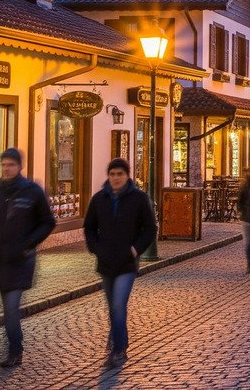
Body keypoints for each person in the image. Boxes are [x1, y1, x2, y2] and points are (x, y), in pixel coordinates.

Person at [0, 148, 55, 368]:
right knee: (7, 307)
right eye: (3, 164)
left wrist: (29, 244)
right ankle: (15, 347)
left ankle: (15, 350)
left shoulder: (32, 191)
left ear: (19, 166)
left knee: (11, 307)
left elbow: (48, 222)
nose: (6, 168)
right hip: (2, 259)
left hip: (23, 259)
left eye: (10, 164)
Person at [83, 158, 156, 369]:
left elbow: (150, 228)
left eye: (120, 174)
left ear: (127, 176)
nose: (116, 178)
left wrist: (135, 249)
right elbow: (89, 227)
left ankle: (119, 350)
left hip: (126, 263)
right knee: (113, 306)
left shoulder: (139, 198)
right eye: (112, 174)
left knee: (118, 304)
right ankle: (117, 337)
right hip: (106, 262)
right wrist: (96, 248)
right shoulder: (99, 199)